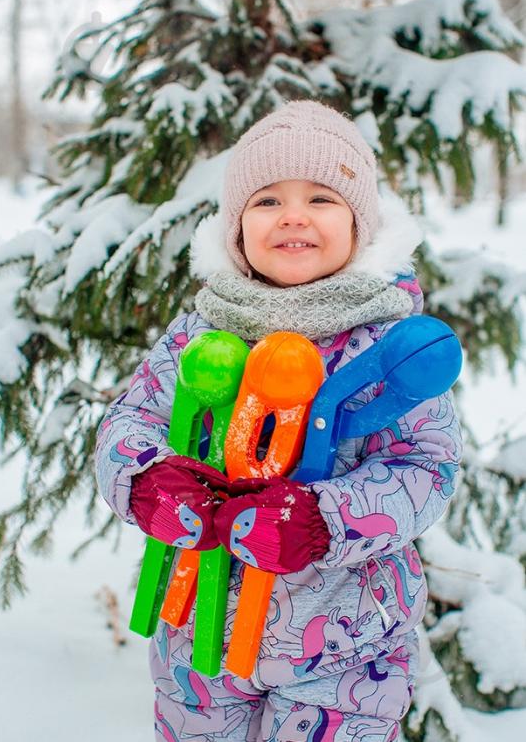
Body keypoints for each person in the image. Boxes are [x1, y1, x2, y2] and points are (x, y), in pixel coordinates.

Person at [95, 100, 462, 742]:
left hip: (348, 648)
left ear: (360, 224)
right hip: (199, 636)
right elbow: (131, 422)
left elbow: (425, 468)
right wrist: (148, 480)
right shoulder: (200, 333)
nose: (293, 215)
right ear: (237, 229)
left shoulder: (390, 344)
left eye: (322, 197)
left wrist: (325, 519)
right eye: (266, 200)